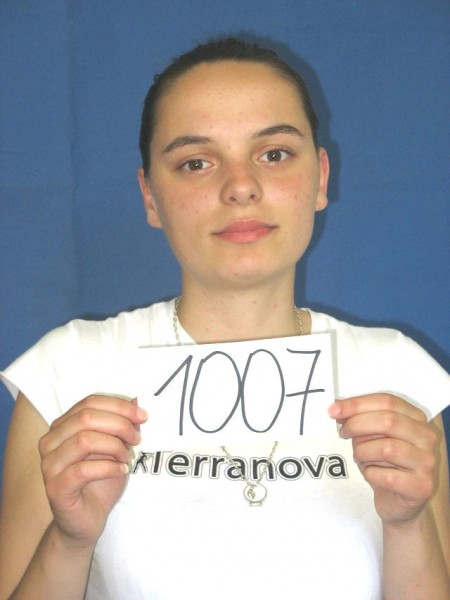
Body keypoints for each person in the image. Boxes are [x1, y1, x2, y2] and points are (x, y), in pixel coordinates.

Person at [0, 37, 449, 600]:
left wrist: (407, 525)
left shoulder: (398, 374)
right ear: (150, 196)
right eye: (196, 163)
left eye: (274, 154)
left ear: (319, 177)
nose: (240, 186)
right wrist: (69, 541)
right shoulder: (68, 372)